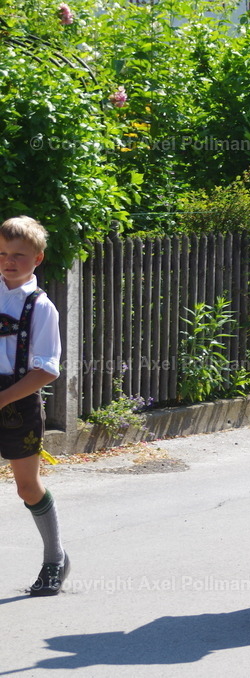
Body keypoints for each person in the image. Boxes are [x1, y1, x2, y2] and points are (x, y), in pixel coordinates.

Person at [0, 217, 65, 596]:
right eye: (3, 254)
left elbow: (47, 371)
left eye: (18, 255)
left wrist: (4, 398)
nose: (9, 261)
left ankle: (54, 558)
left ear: (37, 259)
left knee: (27, 488)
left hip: (19, 400)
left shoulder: (41, 307)